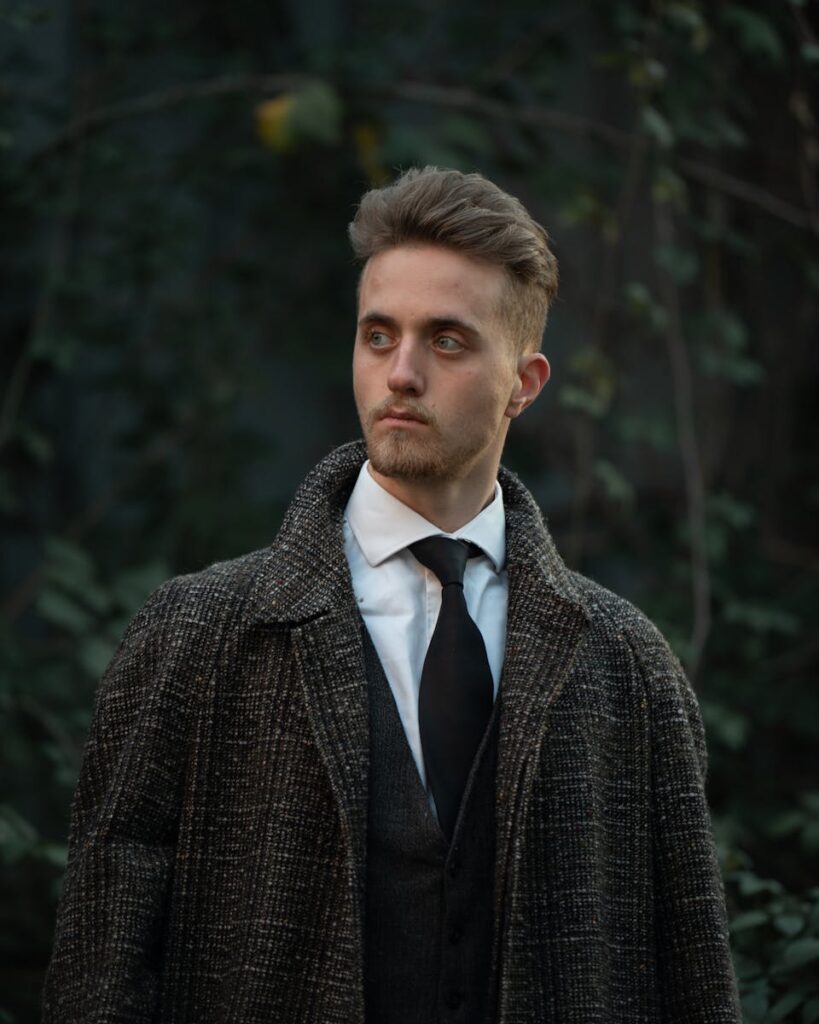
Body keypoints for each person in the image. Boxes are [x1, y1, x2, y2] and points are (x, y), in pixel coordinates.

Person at [42, 167, 741, 1023]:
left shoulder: (626, 665)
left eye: (446, 341)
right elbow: (99, 976)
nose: (400, 373)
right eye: (378, 335)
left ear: (523, 383)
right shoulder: (196, 634)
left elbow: (694, 981)